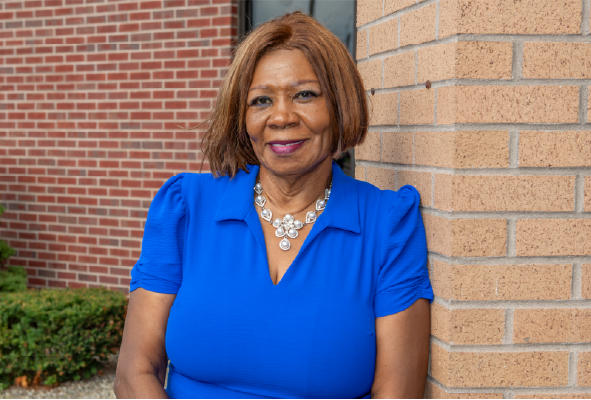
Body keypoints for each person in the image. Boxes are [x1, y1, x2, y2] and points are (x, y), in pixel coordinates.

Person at [114, 11, 433, 399]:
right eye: (261, 100)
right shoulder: (185, 206)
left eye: (305, 95)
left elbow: (397, 394)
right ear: (242, 116)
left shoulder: (388, 225)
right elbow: (135, 373)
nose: (281, 117)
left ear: (339, 104)